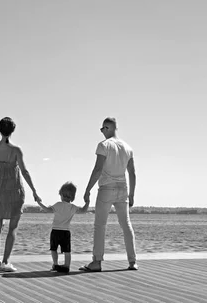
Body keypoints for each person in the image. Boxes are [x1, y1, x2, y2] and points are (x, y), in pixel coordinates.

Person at [0, 117, 40, 272]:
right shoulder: (16, 150)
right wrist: (34, 190)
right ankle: (6, 262)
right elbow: (25, 171)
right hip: (15, 191)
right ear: (13, 131)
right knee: (13, 227)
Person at [80, 117, 138, 272]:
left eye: (102, 129)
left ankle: (97, 262)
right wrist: (132, 194)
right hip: (123, 189)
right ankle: (132, 261)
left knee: (100, 225)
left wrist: (87, 189)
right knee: (126, 225)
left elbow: (98, 169)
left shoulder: (103, 145)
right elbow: (132, 173)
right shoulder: (127, 148)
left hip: (106, 188)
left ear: (107, 128)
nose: (101, 132)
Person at [36, 182, 90, 273]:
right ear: (72, 197)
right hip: (66, 232)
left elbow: (47, 210)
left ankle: (55, 264)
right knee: (67, 250)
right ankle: (66, 265)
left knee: (53, 249)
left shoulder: (58, 205)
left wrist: (39, 202)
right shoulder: (73, 207)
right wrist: (87, 202)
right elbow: (84, 210)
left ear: (61, 194)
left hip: (55, 231)